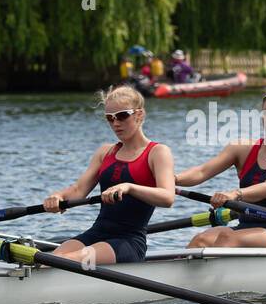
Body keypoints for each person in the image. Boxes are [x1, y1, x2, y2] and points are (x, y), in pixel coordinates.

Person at [43, 86, 176, 263]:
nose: (115, 123)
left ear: (139, 115)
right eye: (109, 118)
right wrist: (57, 196)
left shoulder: (158, 152)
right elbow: (78, 190)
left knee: (63, 262)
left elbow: (168, 197)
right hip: (96, 233)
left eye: (122, 115)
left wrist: (129, 187)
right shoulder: (104, 152)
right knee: (50, 260)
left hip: (128, 242)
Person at [176, 90, 266, 248]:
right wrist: (173, 179)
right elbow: (201, 172)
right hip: (244, 227)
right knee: (201, 239)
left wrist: (235, 194)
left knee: (227, 237)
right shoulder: (242, 149)